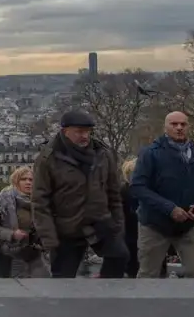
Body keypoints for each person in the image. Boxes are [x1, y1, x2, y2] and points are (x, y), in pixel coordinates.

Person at [31, 110, 128, 278]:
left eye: (88, 132)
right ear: (65, 131)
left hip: (99, 221)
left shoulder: (103, 154)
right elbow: (40, 201)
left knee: (120, 256)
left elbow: (114, 193)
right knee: (63, 277)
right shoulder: (48, 159)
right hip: (67, 227)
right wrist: (49, 238)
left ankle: (106, 294)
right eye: (79, 132)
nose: (85, 136)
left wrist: (117, 225)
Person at [128, 111, 194, 278]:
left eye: (183, 124)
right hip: (154, 224)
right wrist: (169, 208)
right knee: (148, 275)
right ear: (165, 127)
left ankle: (192, 304)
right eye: (174, 124)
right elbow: (138, 187)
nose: (179, 128)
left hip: (187, 225)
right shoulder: (150, 153)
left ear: (189, 127)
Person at [0, 166, 48, 278]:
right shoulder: (0, 202)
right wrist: (12, 234)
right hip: (10, 254)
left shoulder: (39, 202)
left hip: (34, 253)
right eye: (24, 179)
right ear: (16, 181)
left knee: (44, 284)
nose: (28, 182)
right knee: (17, 288)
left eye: (31, 179)